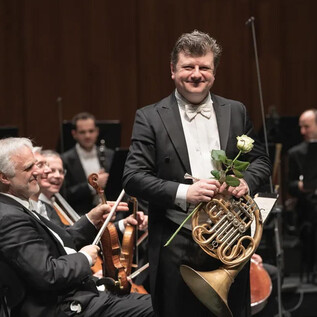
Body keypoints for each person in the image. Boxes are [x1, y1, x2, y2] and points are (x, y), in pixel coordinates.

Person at [122, 30, 272, 317]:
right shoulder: (149, 117)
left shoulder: (236, 111)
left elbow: (261, 161)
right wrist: (185, 193)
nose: (196, 74)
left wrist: (246, 180)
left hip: (231, 241)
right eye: (188, 67)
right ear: (172, 70)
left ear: (214, 72)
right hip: (178, 245)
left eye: (204, 67)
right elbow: (132, 177)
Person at [0, 137, 154, 317]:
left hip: (79, 296)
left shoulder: (17, 207)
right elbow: (47, 274)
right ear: (4, 177)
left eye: (36, 164)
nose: (38, 172)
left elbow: (58, 243)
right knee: (160, 308)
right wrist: (84, 258)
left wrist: (90, 219)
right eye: (28, 168)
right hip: (64, 307)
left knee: (161, 302)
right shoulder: (9, 216)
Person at [62, 112, 114, 215]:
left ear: (97, 131)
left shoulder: (110, 154)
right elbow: (65, 193)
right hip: (80, 214)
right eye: (82, 132)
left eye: (91, 131)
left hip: (109, 212)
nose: (87, 136)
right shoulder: (65, 159)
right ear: (74, 134)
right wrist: (92, 186)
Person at [288, 108, 317, 282]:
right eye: (301, 127)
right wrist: (299, 185)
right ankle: (312, 269)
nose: (302, 131)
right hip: (309, 207)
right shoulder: (295, 153)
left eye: (306, 126)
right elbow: (290, 186)